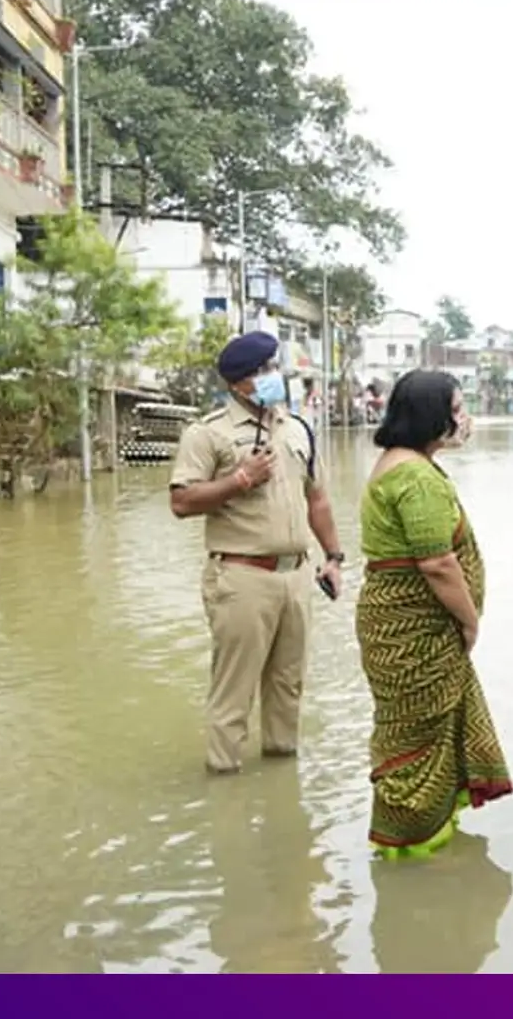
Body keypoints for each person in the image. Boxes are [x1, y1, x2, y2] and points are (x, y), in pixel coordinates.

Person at [170, 331, 345, 774]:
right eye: (264, 370)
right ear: (238, 382)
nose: (274, 377)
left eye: (274, 367)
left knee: (289, 686)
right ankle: (223, 789)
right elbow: (181, 502)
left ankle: (280, 782)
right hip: (241, 577)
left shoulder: (297, 427)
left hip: (297, 577)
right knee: (234, 692)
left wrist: (334, 557)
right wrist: (239, 480)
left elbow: (318, 498)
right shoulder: (207, 433)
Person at [355, 369, 513, 858]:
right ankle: (408, 847)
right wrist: (470, 621)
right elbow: (438, 564)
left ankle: (432, 842)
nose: (464, 420)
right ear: (432, 416)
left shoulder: (400, 465)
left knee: (419, 733)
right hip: (415, 633)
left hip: (406, 628)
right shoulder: (414, 477)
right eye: (458, 409)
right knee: (416, 740)